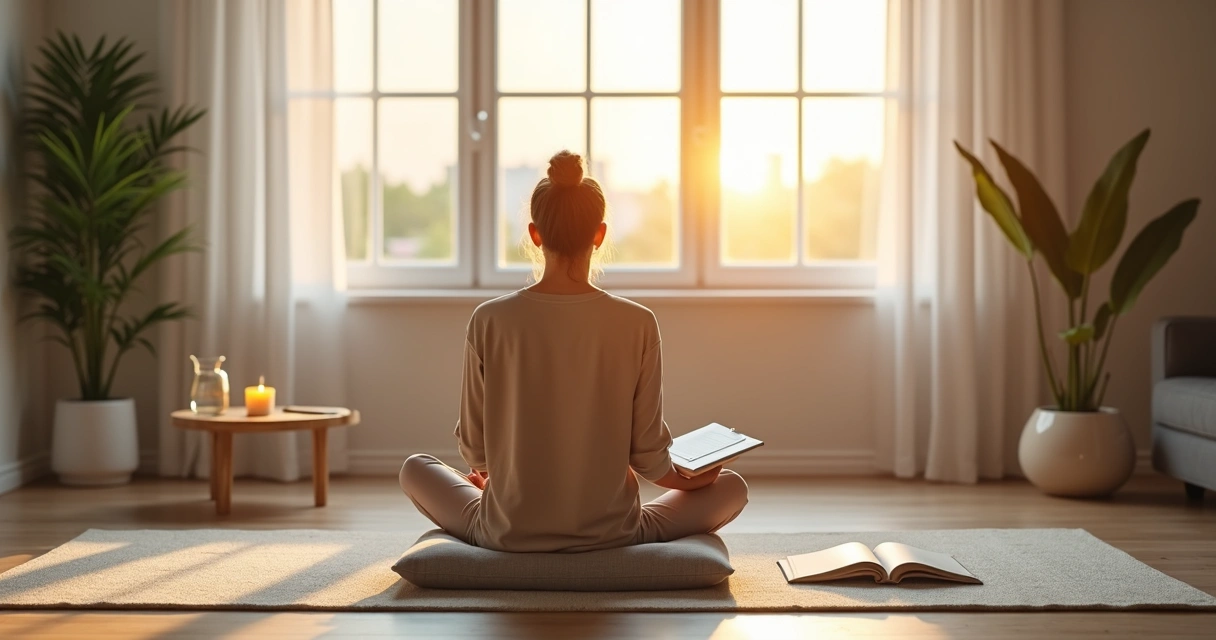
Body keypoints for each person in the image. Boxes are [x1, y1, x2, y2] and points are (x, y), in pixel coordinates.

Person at [399, 150, 748, 553]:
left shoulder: (488, 319)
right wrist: (695, 478)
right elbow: (650, 459)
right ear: (599, 235)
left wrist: (491, 480)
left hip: (506, 531)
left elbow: (475, 451)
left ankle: (505, 519)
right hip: (612, 534)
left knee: (415, 469)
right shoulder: (637, 322)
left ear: (534, 233)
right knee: (731, 487)